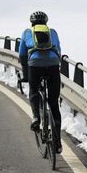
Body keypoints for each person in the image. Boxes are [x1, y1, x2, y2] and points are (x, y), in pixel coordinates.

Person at [19, 11, 63, 153]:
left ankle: (36, 118)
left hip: (35, 65)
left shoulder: (26, 32)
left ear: (32, 23)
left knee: (33, 90)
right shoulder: (53, 32)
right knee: (54, 103)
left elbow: (22, 55)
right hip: (53, 65)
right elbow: (59, 51)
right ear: (46, 22)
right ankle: (58, 143)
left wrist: (26, 75)